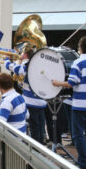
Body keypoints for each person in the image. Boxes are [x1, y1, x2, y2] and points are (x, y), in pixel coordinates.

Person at [52, 36, 86, 169]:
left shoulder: (78, 63)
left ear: (80, 48)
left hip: (79, 105)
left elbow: (71, 83)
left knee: (78, 135)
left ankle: (83, 162)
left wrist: (57, 83)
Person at [5, 49, 47, 144]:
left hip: (31, 101)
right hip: (41, 101)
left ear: (26, 54)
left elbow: (14, 68)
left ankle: (36, 149)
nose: (21, 54)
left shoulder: (28, 65)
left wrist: (6, 59)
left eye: (22, 52)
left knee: (34, 127)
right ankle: (40, 145)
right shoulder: (39, 65)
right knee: (40, 125)